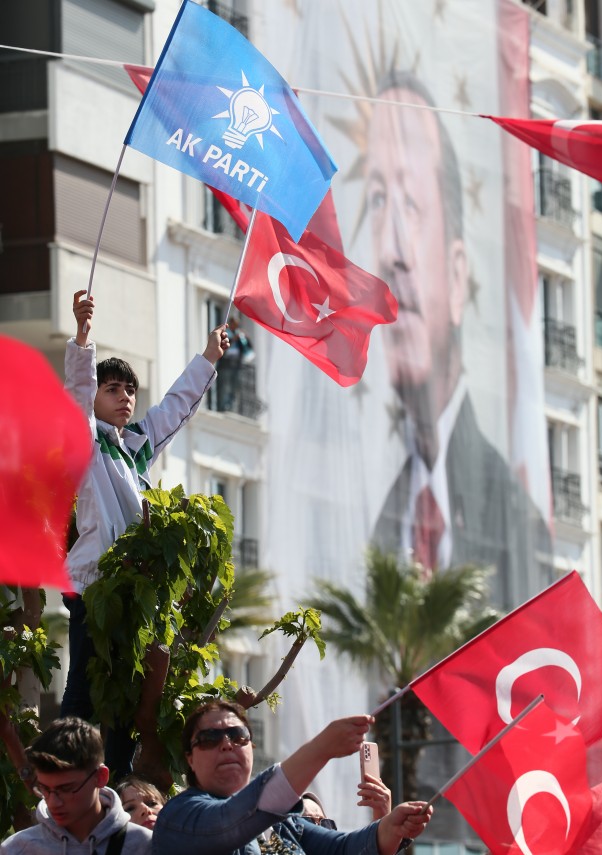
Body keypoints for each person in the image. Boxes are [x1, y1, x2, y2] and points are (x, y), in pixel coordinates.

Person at [367, 71, 551, 609]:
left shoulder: (515, 516)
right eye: (378, 201)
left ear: (455, 273)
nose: (392, 251)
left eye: (412, 205)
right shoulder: (382, 520)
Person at [61, 289, 229, 776]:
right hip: (94, 583)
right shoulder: (86, 441)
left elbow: (177, 406)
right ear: (94, 397)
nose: (124, 398)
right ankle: (65, 764)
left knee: (127, 692)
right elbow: (74, 393)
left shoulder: (136, 447)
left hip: (133, 593)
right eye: (112, 389)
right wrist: (82, 338)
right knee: (83, 683)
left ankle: (110, 776)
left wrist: (210, 357)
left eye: (129, 391)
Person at [152, 699, 432, 855]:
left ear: (252, 746)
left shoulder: (286, 824)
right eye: (210, 738)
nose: (226, 744)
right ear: (189, 757)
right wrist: (320, 749)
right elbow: (229, 822)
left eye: (238, 735)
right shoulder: (179, 816)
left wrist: (389, 829)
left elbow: (344, 849)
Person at [0, 716, 151, 853]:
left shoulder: (145, 846)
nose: (53, 802)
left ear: (100, 777)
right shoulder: (16, 849)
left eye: (66, 789)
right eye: (44, 789)